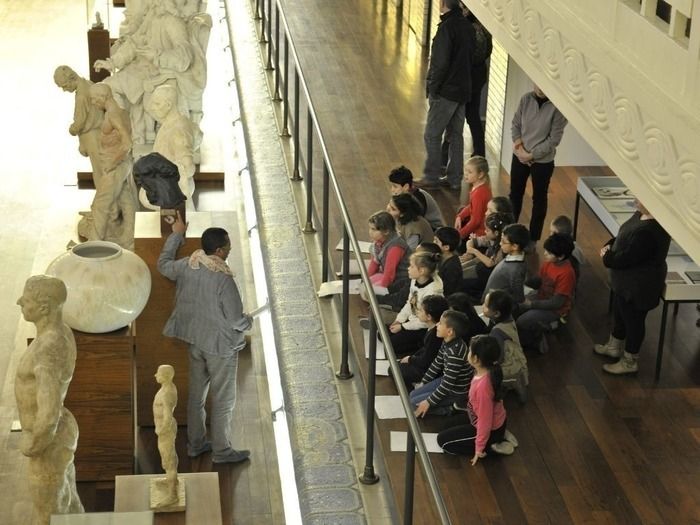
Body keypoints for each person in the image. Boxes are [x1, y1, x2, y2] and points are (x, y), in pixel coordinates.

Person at [157, 211, 253, 463]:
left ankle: (195, 444)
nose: (230, 249)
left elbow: (163, 264)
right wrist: (249, 321)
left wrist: (176, 235)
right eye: (229, 245)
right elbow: (235, 319)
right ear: (220, 251)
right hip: (220, 347)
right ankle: (222, 452)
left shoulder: (189, 264)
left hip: (195, 341)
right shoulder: (223, 278)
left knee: (196, 396)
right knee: (223, 400)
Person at [15, 276, 83, 523]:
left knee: (48, 516)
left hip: (48, 442)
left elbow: (49, 409)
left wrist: (34, 443)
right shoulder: (62, 332)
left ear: (44, 307)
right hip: (60, 434)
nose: (19, 301)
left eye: (27, 300)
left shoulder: (47, 347)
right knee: (66, 501)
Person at [593, 200, 670, 375]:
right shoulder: (641, 216)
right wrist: (610, 244)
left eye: (640, 198)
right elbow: (625, 236)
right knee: (620, 314)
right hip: (625, 283)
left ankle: (629, 361)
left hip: (638, 286)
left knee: (633, 321)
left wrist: (607, 257)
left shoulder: (651, 231)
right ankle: (614, 346)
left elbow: (628, 257)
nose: (635, 199)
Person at [417, 0, 474, 191]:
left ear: (442, 4)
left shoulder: (446, 28)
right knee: (456, 135)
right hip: (463, 90)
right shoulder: (468, 27)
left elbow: (440, 64)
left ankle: (431, 177)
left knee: (432, 134)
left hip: (446, 91)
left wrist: (433, 88)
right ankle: (455, 178)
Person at [437, 335, 518, 462]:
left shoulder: (483, 388)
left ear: (476, 359)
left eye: (470, 351)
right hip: (485, 418)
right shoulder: (487, 369)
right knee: (444, 427)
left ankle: (492, 447)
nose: (468, 353)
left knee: (443, 442)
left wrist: (479, 449)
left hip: (488, 427)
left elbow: (485, 421)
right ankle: (501, 434)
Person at [509, 85, 568, 242]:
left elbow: (554, 140)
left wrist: (531, 155)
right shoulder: (525, 99)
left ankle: (533, 238)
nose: (541, 88)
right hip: (519, 154)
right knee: (515, 194)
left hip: (542, 161)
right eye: (537, 84)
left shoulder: (558, 107)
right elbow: (515, 124)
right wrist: (519, 147)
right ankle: (509, 234)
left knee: (539, 198)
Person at [86, 82, 137, 250]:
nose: (93, 103)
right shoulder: (121, 112)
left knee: (100, 205)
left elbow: (127, 143)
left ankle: (94, 245)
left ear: (103, 97)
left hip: (116, 167)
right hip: (123, 165)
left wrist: (112, 163)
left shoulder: (113, 115)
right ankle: (129, 238)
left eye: (94, 99)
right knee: (125, 198)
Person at [517, 234, 577, 351]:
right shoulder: (549, 262)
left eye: (549, 253)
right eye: (545, 250)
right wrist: (523, 281)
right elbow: (539, 280)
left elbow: (557, 303)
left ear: (561, 257)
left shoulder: (567, 274)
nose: (544, 254)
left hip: (555, 310)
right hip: (542, 297)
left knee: (522, 321)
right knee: (516, 306)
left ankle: (538, 340)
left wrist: (532, 304)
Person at [412, 310, 472, 417]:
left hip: (456, 391)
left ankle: (450, 409)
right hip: (445, 381)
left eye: (440, 323)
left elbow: (448, 385)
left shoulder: (455, 353)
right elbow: (437, 363)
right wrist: (424, 382)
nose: (437, 325)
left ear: (450, 332)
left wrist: (429, 401)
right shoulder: (447, 341)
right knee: (412, 395)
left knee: (414, 404)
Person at [148, 84, 196, 210]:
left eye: (157, 104)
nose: (152, 108)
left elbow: (188, 168)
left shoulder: (178, 130)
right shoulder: (171, 122)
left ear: (168, 105)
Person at [53, 65, 104, 186]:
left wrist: (73, 129)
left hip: (92, 135)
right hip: (98, 131)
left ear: (71, 78)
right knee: (102, 168)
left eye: (64, 86)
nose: (64, 90)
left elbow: (80, 120)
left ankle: (105, 200)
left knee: (99, 171)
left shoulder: (82, 95)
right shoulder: (88, 84)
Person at [388, 252, 444, 357]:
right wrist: (399, 320)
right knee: (382, 334)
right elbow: (410, 302)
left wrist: (403, 327)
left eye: (412, 266)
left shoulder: (433, 291)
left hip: (423, 327)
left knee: (391, 344)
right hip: (412, 320)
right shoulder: (415, 280)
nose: (408, 268)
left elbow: (426, 321)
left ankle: (417, 349)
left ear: (421, 270)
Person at [483, 290, 528, 402]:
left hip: (511, 366)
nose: (483, 306)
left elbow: (499, 357)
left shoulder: (497, 332)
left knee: (485, 374)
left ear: (497, 314)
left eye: (486, 305)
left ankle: (511, 382)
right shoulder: (508, 318)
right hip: (518, 358)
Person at [397, 295, 449, 391]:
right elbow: (424, 350)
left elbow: (426, 361)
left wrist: (411, 359)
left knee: (395, 370)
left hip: (428, 371)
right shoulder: (431, 328)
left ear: (429, 316)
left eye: (420, 310)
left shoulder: (435, 335)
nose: (417, 312)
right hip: (423, 362)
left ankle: (415, 388)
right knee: (398, 364)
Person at [460, 212, 512, 300]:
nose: (485, 232)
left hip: (487, 276)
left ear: (496, 233)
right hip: (480, 267)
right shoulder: (490, 239)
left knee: (461, 283)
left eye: (487, 230)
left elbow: (490, 263)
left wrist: (474, 251)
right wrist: (470, 253)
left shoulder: (501, 248)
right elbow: (471, 242)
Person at [481, 223, 530, 305]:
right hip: (488, 299)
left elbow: (519, 296)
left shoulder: (516, 269)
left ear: (515, 246)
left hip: (496, 305)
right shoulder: (513, 256)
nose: (500, 243)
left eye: (503, 242)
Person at [152, 364, 179, 507]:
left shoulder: (167, 393)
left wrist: (161, 431)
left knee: (168, 461)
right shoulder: (168, 388)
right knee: (169, 458)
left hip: (165, 430)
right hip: (165, 429)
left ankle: (172, 495)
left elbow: (168, 417)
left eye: (158, 373)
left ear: (166, 376)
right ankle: (172, 481)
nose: (156, 375)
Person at [366, 211, 410, 291]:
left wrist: (381, 290)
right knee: (367, 284)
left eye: (374, 229)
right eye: (370, 228)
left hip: (401, 280)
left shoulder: (395, 246)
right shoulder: (378, 242)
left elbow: (389, 273)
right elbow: (374, 262)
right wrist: (365, 280)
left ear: (386, 231)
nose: (370, 232)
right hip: (389, 275)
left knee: (371, 291)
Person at [454, 156, 492, 240]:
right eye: (465, 171)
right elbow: (471, 206)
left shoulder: (479, 193)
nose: (466, 174)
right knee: (461, 210)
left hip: (479, 234)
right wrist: (460, 216)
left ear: (480, 174)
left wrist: (459, 235)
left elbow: (476, 221)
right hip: (477, 227)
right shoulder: (478, 186)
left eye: (470, 172)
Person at [434, 227, 463, 296]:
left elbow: (448, 291)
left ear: (446, 247)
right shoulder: (440, 257)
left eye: (436, 241)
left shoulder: (452, 267)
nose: (433, 243)